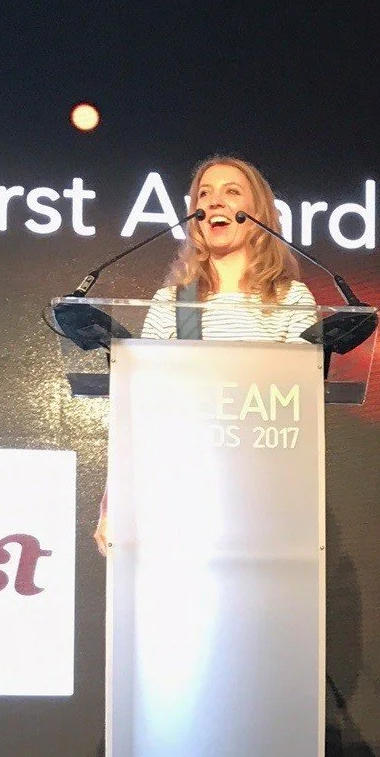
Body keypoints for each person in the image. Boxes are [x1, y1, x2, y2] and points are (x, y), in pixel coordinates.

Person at [93, 157, 317, 555]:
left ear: (258, 214)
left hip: (269, 493)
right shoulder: (173, 303)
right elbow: (137, 410)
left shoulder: (291, 299)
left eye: (232, 192)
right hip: (180, 494)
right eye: (204, 194)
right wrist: (115, 502)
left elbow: (301, 406)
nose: (214, 202)